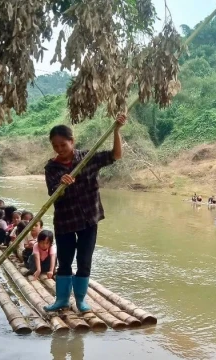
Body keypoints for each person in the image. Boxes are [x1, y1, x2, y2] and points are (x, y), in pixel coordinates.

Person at [43, 113, 126, 313]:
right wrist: (61, 184)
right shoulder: (51, 167)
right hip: (65, 222)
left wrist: (116, 130)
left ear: (72, 141)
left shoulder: (88, 158)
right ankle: (62, 299)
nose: (60, 149)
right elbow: (52, 193)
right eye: (56, 146)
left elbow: (115, 155)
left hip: (89, 218)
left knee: (84, 261)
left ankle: (80, 301)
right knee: (64, 262)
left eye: (63, 144)